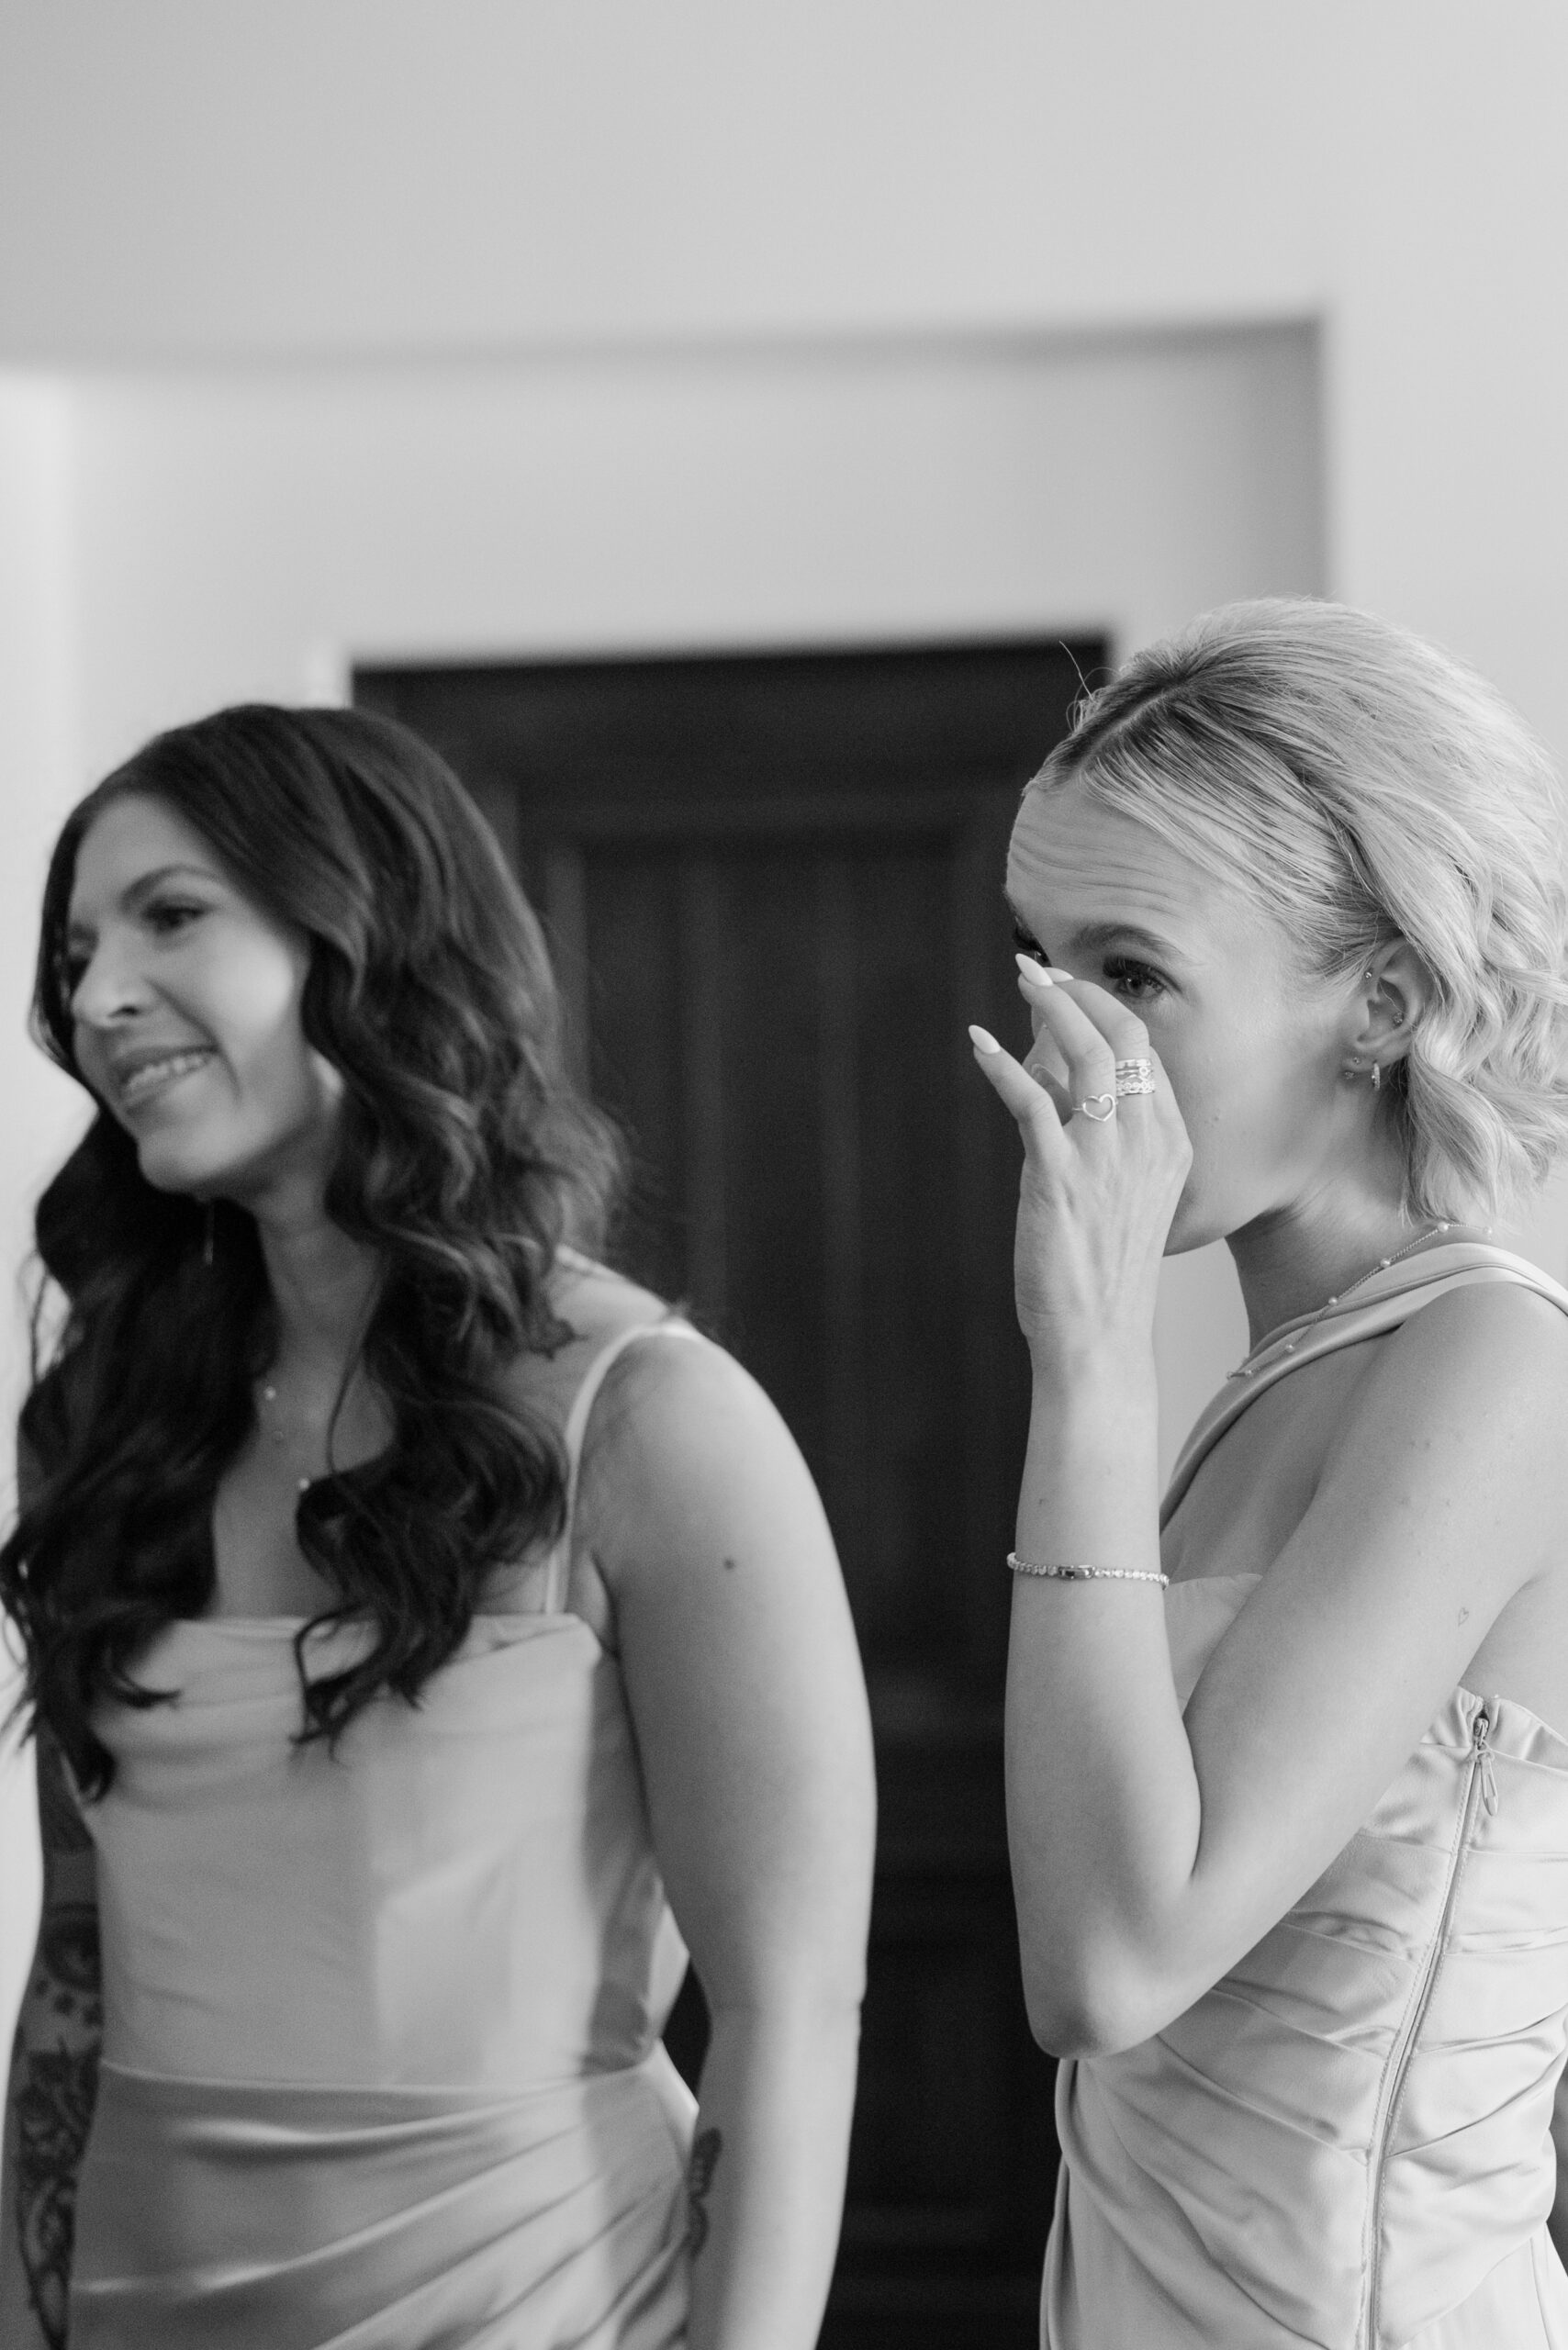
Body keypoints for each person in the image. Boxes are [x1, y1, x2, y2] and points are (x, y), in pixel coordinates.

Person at [0, 704, 876, 2350]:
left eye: (172, 916)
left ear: (370, 929)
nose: (98, 997)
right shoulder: (111, 1422)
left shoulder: (655, 1424)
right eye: (77, 951)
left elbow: (790, 2010)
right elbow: (75, 1960)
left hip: (531, 2303)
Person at [969, 599, 1568, 2348]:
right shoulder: (1272, 1384)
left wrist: (1081, 1364)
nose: (1065, 1049)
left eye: (1135, 973)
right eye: (1040, 962)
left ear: (1380, 1000)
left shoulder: (1495, 1365)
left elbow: (1109, 1969)